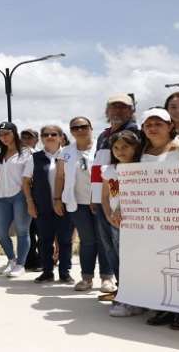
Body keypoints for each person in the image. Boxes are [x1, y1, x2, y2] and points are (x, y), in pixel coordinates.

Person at [139, 107, 179, 331]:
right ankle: (164, 306)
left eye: (159, 124)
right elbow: (122, 180)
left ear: (170, 126)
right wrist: (117, 207)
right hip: (150, 219)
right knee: (157, 263)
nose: (153, 128)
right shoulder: (139, 151)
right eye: (148, 125)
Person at [54, 117, 114, 292]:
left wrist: (109, 200)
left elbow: (110, 175)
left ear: (91, 127)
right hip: (76, 203)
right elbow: (59, 177)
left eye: (83, 126)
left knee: (104, 241)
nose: (80, 130)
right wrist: (57, 199)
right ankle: (86, 278)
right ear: (71, 131)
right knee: (87, 241)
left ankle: (107, 278)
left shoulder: (102, 148)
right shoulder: (65, 152)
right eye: (75, 127)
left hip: (101, 201)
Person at [91, 94, 136, 295]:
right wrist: (97, 197)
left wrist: (118, 205)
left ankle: (129, 290)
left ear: (131, 110)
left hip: (123, 203)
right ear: (107, 111)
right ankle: (121, 288)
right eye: (113, 107)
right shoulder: (103, 135)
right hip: (104, 197)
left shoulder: (135, 133)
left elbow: (124, 171)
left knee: (123, 249)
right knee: (109, 247)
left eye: (122, 107)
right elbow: (102, 170)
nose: (117, 111)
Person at [101, 130, 143, 317]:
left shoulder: (144, 168)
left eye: (125, 147)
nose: (120, 151)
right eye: (116, 147)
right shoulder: (111, 170)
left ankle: (140, 298)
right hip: (118, 223)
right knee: (122, 259)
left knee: (139, 261)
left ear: (135, 147)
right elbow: (108, 197)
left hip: (141, 224)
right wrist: (110, 214)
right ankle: (126, 295)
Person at [30, 125, 74, 284]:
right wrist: (30, 203)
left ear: (61, 137)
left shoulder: (69, 155)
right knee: (44, 240)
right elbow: (26, 182)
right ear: (41, 138)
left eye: (53, 134)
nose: (49, 137)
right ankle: (47, 272)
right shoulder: (34, 157)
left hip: (65, 205)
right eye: (45, 134)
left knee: (65, 240)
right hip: (43, 206)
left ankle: (65, 272)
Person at [0, 122, 34, 278]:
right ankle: (12, 260)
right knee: (0, 231)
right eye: (1, 135)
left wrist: (29, 200)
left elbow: (28, 178)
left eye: (6, 134)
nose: (3, 137)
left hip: (20, 196)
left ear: (14, 133)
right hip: (2, 197)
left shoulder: (27, 153)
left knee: (22, 231)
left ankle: (21, 265)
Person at [21, 128, 42, 271]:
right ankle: (29, 259)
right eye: (24, 137)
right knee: (27, 230)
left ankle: (42, 259)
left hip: (37, 195)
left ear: (36, 140)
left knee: (40, 230)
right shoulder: (16, 155)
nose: (27, 140)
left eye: (30, 137)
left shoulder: (39, 155)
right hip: (22, 196)